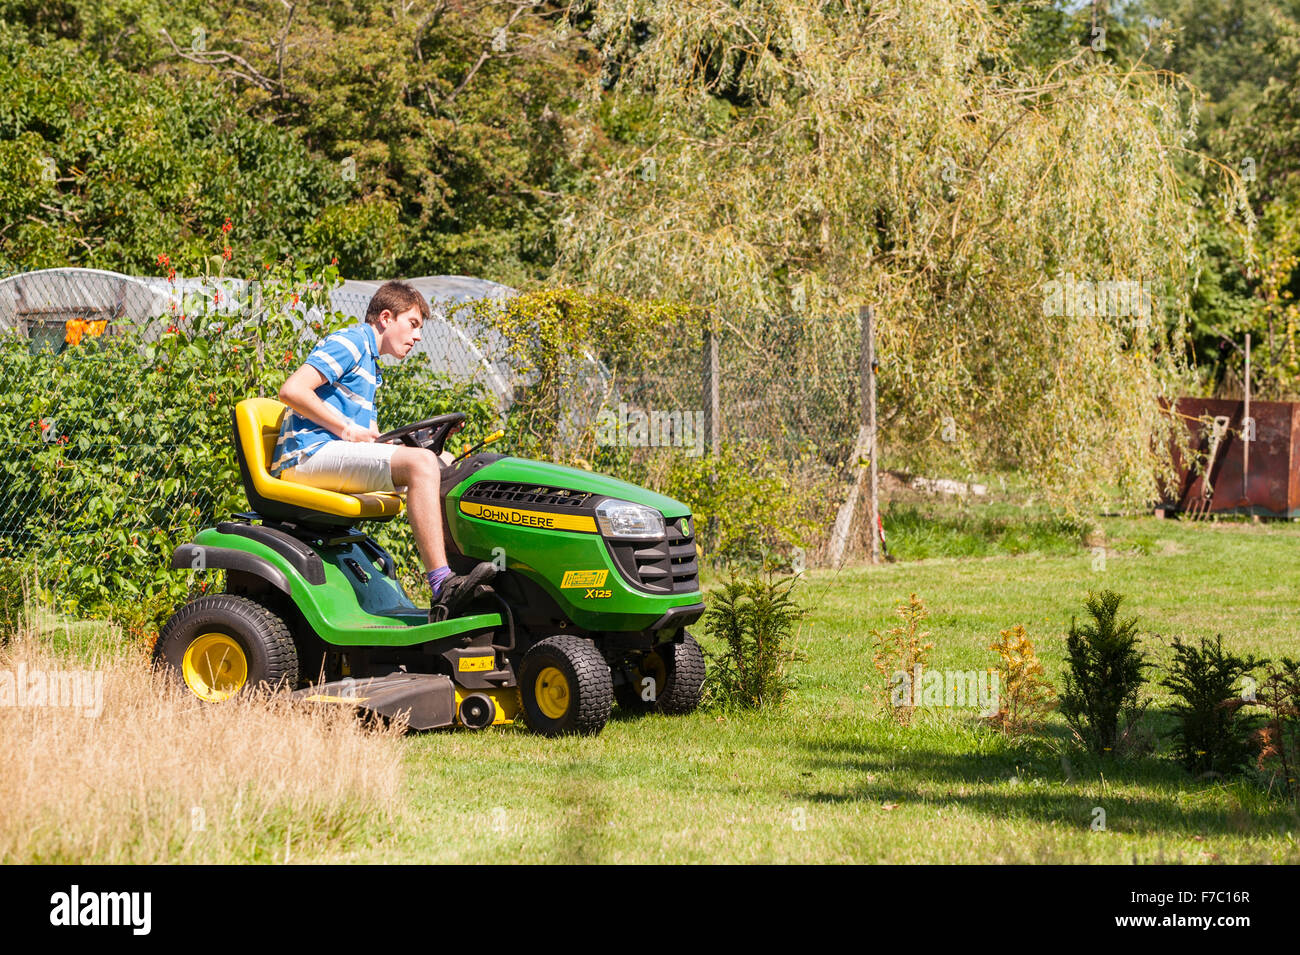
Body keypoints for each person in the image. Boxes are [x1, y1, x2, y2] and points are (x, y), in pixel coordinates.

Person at [270, 279, 497, 620]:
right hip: (307, 455)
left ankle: (467, 571)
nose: (418, 337)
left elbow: (370, 439)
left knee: (447, 463)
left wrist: (422, 443)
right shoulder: (350, 342)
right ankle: (441, 582)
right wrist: (344, 428)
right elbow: (292, 390)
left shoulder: (371, 365)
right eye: (413, 324)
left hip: (329, 453)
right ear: (386, 317)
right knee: (422, 465)